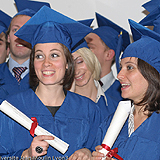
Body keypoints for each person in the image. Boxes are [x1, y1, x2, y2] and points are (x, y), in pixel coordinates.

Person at [0, 6, 102, 159]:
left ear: (68, 63)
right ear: (33, 63)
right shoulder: (11, 108)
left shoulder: (89, 110)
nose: (46, 63)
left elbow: (100, 148)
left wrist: (89, 152)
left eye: (54, 55)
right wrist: (26, 155)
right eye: (39, 56)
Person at [91, 19, 160, 160]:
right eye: (121, 67)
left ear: (151, 73)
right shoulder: (110, 123)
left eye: (129, 67)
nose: (119, 75)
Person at [0, 0, 51, 103]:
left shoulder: (47, 75)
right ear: (8, 37)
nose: (20, 35)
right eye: (15, 30)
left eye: (27, 30)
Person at [85, 12, 130, 102]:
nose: (84, 52)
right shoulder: (75, 88)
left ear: (109, 55)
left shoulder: (124, 95)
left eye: (90, 48)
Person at [71, 47, 118, 120]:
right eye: (70, 66)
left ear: (90, 59)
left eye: (79, 62)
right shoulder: (62, 110)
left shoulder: (116, 108)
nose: (76, 71)